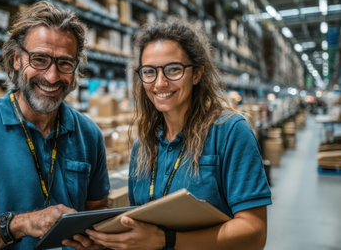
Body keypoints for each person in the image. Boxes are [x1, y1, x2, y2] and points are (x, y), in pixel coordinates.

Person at [0, 1, 109, 250]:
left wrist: (101, 239)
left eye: (65, 63)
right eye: (39, 60)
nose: (52, 76)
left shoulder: (88, 134)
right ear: (16, 59)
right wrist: (19, 224)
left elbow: (99, 209)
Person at [86, 18, 272, 249]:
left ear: (197, 74)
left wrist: (168, 241)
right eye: (149, 72)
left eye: (173, 69)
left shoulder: (230, 132)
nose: (160, 83)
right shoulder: (143, 147)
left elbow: (254, 233)